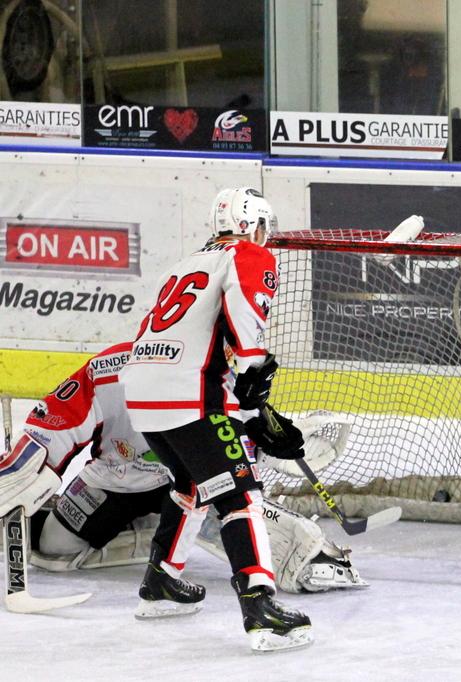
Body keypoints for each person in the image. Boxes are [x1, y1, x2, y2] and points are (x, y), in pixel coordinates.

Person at [119, 187, 314, 651]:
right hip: (190, 397)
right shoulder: (247, 253)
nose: (265, 235)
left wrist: (251, 413)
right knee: (240, 495)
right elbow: (244, 328)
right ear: (250, 225)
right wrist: (254, 368)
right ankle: (261, 607)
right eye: (262, 225)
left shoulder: (185, 264)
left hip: (143, 392)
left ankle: (161, 581)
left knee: (190, 484)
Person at [6, 344, 365, 595]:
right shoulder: (107, 372)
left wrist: (268, 440)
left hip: (190, 483)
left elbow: (234, 447)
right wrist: (21, 475)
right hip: (115, 478)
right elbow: (50, 428)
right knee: (54, 550)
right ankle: (147, 529)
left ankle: (285, 536)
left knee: (296, 558)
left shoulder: (217, 380)